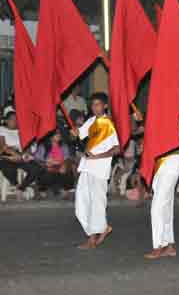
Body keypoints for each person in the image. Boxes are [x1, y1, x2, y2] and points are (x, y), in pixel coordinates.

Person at [72, 93, 120, 250]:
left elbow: (116, 148)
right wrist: (74, 132)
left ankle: (92, 238)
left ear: (105, 106)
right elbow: (80, 134)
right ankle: (102, 228)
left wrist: (98, 156)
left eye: (98, 104)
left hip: (100, 168)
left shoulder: (108, 124)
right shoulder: (92, 121)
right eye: (93, 104)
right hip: (86, 166)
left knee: (96, 204)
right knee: (81, 202)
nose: (95, 107)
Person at [144, 119, 179, 260]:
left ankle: (158, 245)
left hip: (171, 169)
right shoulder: (162, 120)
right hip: (160, 168)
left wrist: (165, 152)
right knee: (166, 208)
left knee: (157, 207)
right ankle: (169, 245)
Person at [0, 112, 40, 201]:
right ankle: (16, 184)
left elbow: (27, 145)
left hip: (21, 155)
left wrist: (26, 153)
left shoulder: (21, 130)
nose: (15, 121)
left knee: (36, 168)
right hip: (7, 155)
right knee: (8, 168)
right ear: (6, 120)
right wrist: (15, 154)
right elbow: (1, 145)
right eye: (12, 119)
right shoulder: (1, 129)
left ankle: (21, 188)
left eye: (16, 119)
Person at [34, 129, 74, 199]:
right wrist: (45, 164)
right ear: (50, 137)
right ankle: (43, 189)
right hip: (48, 168)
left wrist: (64, 165)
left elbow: (67, 158)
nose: (59, 135)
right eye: (56, 134)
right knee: (45, 172)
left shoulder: (63, 146)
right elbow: (37, 159)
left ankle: (65, 190)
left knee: (68, 169)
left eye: (59, 134)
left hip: (60, 166)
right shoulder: (43, 146)